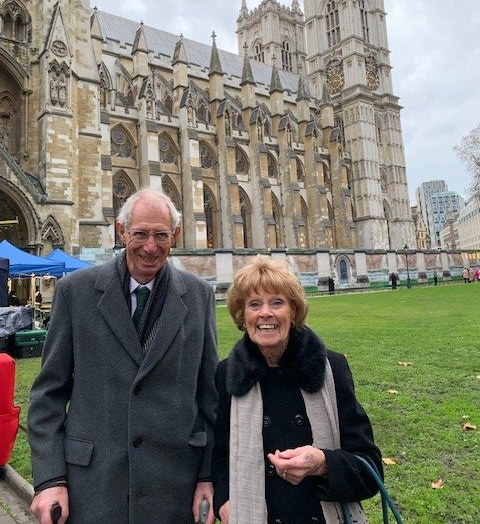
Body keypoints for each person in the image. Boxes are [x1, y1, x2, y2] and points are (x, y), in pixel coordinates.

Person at [28, 188, 218, 524]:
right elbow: (48, 396)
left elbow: (209, 399)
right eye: (141, 233)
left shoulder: (199, 296)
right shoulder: (76, 292)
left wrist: (207, 475)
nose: (150, 246)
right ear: (121, 231)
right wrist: (50, 479)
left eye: (161, 235)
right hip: (93, 487)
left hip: (174, 487)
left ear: (175, 235)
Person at [212, 256, 382, 524]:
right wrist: (224, 500)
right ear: (243, 316)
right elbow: (220, 456)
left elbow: (370, 469)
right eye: (254, 304)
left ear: (293, 313)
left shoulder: (331, 368)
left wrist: (323, 463)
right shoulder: (227, 374)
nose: (265, 313)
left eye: (277, 302)